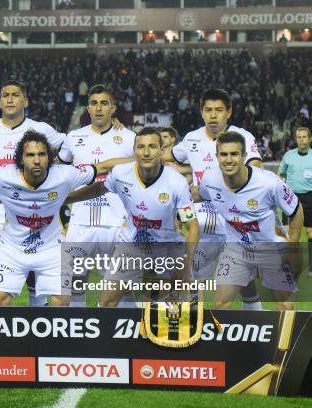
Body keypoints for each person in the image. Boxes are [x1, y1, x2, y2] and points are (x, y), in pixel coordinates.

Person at [0, 131, 127, 306]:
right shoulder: (3, 176)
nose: (37, 160)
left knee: (61, 302)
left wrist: (138, 160)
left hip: (52, 249)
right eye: (30, 155)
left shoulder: (64, 174)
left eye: (42, 154)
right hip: (12, 249)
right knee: (0, 300)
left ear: (49, 157)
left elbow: (103, 166)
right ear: (21, 159)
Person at [67, 127, 200, 307]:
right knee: (106, 303)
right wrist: (65, 199)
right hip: (131, 247)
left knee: (165, 305)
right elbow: (99, 188)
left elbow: (192, 227)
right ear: (134, 150)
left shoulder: (176, 182)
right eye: (141, 147)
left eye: (152, 147)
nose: (146, 152)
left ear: (162, 151)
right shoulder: (122, 173)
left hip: (166, 249)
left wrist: (186, 264)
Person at [0, 80, 65, 306]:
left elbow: (72, 147)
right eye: (5, 95)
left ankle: (35, 329)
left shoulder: (41, 130)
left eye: (15, 95)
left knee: (34, 270)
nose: (9, 99)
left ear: (25, 101)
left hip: (31, 212)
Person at [167, 88, 264, 310]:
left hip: (234, 223)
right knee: (193, 280)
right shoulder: (192, 138)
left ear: (228, 112)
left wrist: (212, 186)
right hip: (202, 226)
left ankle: (258, 328)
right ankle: (194, 332)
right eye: (208, 110)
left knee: (245, 282)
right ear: (201, 113)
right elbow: (164, 156)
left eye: (219, 110)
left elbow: (255, 168)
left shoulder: (243, 137)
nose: (213, 115)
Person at [199, 132, 303, 310]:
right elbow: (199, 197)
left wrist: (292, 246)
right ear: (216, 157)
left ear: (244, 156)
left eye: (234, 154)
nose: (229, 160)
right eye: (224, 154)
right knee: (220, 303)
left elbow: (296, 209)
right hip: (236, 250)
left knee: (284, 304)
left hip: (272, 250)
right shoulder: (209, 179)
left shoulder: (269, 183)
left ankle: (285, 337)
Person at [57, 84, 135, 307]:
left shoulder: (129, 138)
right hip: (80, 223)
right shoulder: (73, 137)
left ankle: (124, 335)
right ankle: (78, 332)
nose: (98, 108)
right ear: (87, 109)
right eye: (93, 103)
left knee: (122, 288)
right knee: (74, 282)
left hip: (116, 223)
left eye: (104, 103)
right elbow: (60, 172)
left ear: (113, 108)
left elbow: (143, 165)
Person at [279, 127, 312, 277]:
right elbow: (281, 174)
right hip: (290, 198)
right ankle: (287, 264)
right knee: (288, 233)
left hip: (309, 197)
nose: (301, 140)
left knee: (310, 233)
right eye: (299, 137)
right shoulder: (288, 156)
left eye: (304, 137)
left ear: (310, 139)